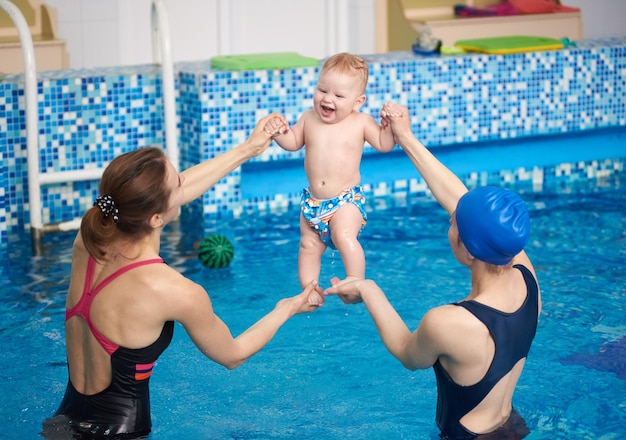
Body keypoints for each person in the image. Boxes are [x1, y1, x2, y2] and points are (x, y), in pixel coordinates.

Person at [42, 113, 324, 439]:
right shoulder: (173, 290)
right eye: (177, 180)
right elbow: (231, 356)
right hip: (121, 433)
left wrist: (248, 149)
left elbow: (175, 192)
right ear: (157, 217)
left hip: (60, 426)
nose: (183, 181)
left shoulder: (87, 240)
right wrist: (287, 308)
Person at [325, 102, 541, 439]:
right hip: (512, 427)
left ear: (467, 248)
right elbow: (461, 199)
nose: (450, 217)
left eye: (454, 222)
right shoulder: (527, 278)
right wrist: (406, 138)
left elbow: (407, 354)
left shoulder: (449, 322)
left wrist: (367, 288)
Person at [263, 52, 396, 288]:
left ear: (358, 102)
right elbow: (293, 143)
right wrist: (278, 133)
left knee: (344, 236)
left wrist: (389, 127)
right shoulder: (309, 118)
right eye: (322, 90)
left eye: (338, 95)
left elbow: (385, 145)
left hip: (345, 201)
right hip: (313, 203)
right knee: (308, 245)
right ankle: (309, 290)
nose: (327, 99)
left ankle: (355, 282)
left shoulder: (361, 122)